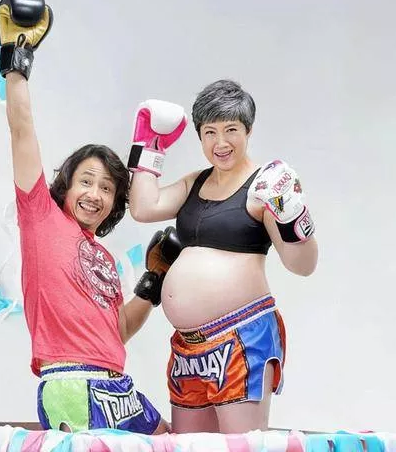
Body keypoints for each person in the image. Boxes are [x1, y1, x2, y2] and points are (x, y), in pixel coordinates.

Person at [0, 0, 172, 434]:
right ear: (67, 186)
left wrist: (153, 282)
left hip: (114, 384)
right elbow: (22, 132)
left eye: (107, 187)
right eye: (87, 181)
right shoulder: (41, 216)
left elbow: (117, 329)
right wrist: (17, 63)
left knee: (168, 438)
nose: (95, 194)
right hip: (73, 384)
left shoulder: (104, 259)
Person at [126, 80, 319, 434]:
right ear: (200, 136)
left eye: (231, 130)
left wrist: (292, 212)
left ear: (248, 130)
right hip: (189, 346)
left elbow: (303, 265)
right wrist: (149, 145)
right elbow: (143, 207)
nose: (221, 143)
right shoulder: (195, 182)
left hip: (242, 337)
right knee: (189, 446)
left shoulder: (263, 187)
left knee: (239, 447)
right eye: (210, 132)